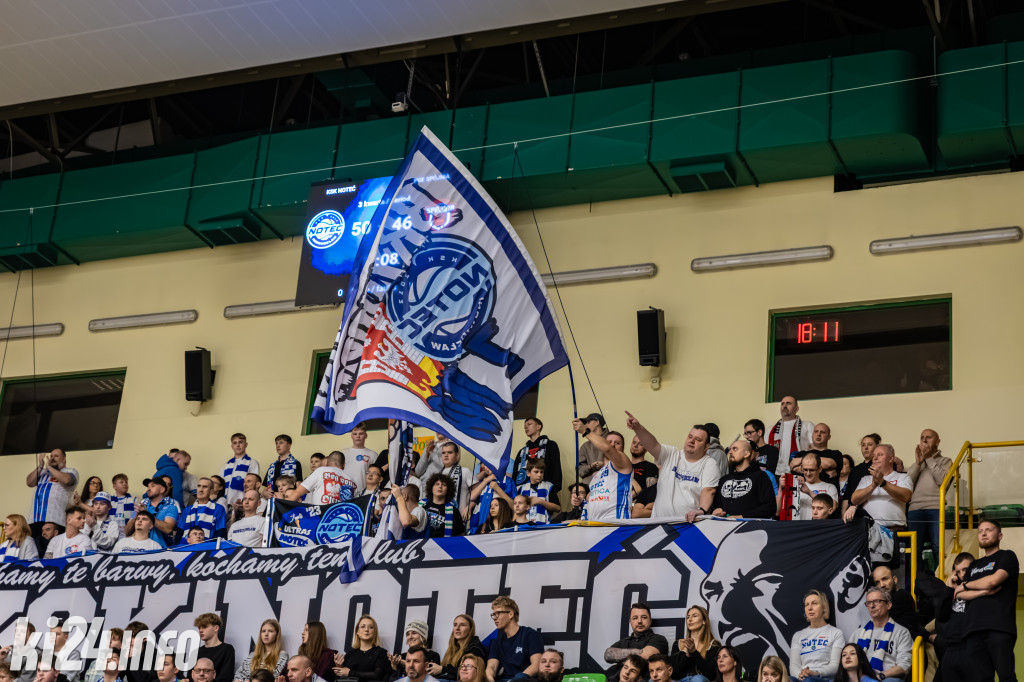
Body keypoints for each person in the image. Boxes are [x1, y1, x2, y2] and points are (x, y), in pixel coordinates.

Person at [624, 413, 720, 522]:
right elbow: (653, 445)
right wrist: (638, 428)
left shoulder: (709, 463)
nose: (692, 441)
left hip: (687, 524)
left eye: (698, 439)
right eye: (690, 437)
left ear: (706, 447)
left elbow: (709, 490)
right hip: (659, 522)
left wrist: (701, 510)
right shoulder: (672, 454)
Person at [956, 518, 1019, 682]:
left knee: (1006, 677)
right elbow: (958, 593)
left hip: (999, 627)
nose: (983, 534)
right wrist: (983, 592)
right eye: (980, 531)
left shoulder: (1007, 556)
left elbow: (993, 581)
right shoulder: (973, 565)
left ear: (1000, 536)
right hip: (972, 629)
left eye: (988, 530)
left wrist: (968, 585)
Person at [571, 422, 635, 521]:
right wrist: (581, 501)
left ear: (622, 448)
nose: (612, 445)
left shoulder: (624, 462)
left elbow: (608, 448)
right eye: (609, 442)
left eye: (617, 443)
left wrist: (585, 431)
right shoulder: (596, 475)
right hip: (595, 524)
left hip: (616, 522)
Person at [849, 587, 912, 681]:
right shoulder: (857, 634)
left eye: (876, 601)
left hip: (887, 678)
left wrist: (880, 676)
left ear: (888, 605)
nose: (872, 606)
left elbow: (904, 666)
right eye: (868, 603)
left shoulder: (902, 632)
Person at [906, 429, 950, 562]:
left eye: (928, 437)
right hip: (915, 509)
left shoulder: (946, 461)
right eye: (922, 438)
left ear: (937, 442)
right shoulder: (916, 464)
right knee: (914, 550)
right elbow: (906, 485)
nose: (924, 440)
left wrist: (929, 458)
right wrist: (918, 463)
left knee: (938, 548)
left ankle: (939, 575)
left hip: (936, 508)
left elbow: (943, 481)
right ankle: (917, 576)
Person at [845, 445, 912, 530]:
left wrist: (883, 482)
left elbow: (906, 496)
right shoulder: (866, 479)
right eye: (874, 455)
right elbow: (854, 500)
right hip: (869, 530)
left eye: (880, 455)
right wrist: (873, 485)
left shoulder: (903, 477)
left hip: (894, 530)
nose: (875, 458)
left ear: (891, 459)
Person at [709, 439, 776, 519]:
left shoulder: (760, 476)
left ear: (746, 454)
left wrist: (742, 517)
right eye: (730, 449)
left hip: (750, 525)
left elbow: (770, 507)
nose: (730, 452)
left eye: (735, 449)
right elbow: (716, 506)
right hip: (725, 525)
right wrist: (716, 511)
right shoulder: (724, 479)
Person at [788, 590, 845, 681]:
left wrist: (816, 673)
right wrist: (801, 675)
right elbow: (794, 665)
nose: (810, 608)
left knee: (809, 680)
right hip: (802, 678)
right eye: (807, 605)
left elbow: (835, 666)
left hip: (823, 679)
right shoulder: (798, 636)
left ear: (824, 608)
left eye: (814, 603)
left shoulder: (836, 633)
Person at [26, 448, 78, 547]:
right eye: (51, 456)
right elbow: (29, 482)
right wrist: (40, 466)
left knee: (52, 551)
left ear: (64, 458)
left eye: (56, 456)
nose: (52, 458)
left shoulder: (70, 471)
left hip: (55, 521)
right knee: (34, 551)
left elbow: (67, 480)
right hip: (35, 520)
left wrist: (49, 467)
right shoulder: (43, 472)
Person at [485, 596, 543, 682]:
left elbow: (536, 666)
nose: (495, 618)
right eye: (493, 614)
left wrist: (515, 680)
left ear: (510, 614)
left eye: (498, 613)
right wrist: (489, 679)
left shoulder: (530, 634)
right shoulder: (497, 641)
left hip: (524, 680)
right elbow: (491, 667)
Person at [937, 552, 974, 681]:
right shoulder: (951, 591)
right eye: (958, 571)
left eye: (965, 569)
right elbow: (941, 617)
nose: (962, 574)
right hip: (951, 649)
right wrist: (948, 590)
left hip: (971, 649)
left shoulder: (978, 589)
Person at [603, 603, 668, 677]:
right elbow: (608, 655)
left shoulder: (659, 639)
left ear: (650, 621)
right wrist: (638, 653)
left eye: (644, 617)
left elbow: (646, 655)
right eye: (635, 618)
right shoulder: (624, 641)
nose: (639, 621)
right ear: (630, 622)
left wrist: (621, 655)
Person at [870, 566, 927, 645]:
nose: (881, 585)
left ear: (895, 579)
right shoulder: (887, 601)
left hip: (907, 648)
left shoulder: (901, 596)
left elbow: (878, 616)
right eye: (877, 582)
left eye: (885, 579)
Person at [511, 418, 562, 495]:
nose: (526, 427)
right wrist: (515, 491)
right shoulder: (522, 452)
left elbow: (556, 466)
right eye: (524, 426)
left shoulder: (550, 445)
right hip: (524, 491)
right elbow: (515, 473)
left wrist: (555, 488)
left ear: (538, 426)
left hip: (545, 489)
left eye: (529, 424)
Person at [669, 605, 720, 682]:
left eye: (694, 616)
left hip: (699, 680)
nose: (690, 619)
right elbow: (673, 674)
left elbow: (711, 675)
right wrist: (686, 653)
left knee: (698, 679)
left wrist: (694, 652)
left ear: (704, 621)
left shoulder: (713, 645)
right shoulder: (678, 644)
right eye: (688, 617)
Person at [782, 453, 838, 521]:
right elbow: (780, 511)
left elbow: (832, 507)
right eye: (805, 470)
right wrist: (780, 488)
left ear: (820, 469)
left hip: (818, 526)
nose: (808, 473)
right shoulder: (794, 486)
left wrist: (809, 492)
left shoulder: (830, 487)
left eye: (812, 470)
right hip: (798, 525)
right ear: (801, 467)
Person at [766, 396, 814, 476]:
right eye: (782, 404)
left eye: (788, 403)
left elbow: (815, 449)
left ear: (797, 408)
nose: (784, 406)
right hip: (775, 472)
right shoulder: (770, 430)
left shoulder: (807, 425)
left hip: (800, 471)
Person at [125, 476, 178, 548]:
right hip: (139, 549)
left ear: (162, 489)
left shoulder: (171, 508)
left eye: (152, 486)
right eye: (148, 486)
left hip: (161, 550)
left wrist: (147, 514)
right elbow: (127, 532)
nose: (148, 489)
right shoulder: (141, 506)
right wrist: (136, 516)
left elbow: (168, 529)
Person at [333, 615, 389, 682]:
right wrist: (339, 667)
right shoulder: (350, 653)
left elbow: (377, 675)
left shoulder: (381, 653)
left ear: (375, 632)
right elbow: (342, 678)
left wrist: (350, 672)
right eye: (363, 627)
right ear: (357, 632)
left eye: (371, 627)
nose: (366, 630)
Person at [290, 453, 356, 505]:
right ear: (344, 465)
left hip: (322, 515)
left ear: (327, 463)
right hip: (342, 516)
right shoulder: (352, 480)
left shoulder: (321, 470)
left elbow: (298, 492)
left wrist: (284, 509)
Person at [435, 615, 486, 680]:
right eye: (455, 625)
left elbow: (468, 673)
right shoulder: (453, 647)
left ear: (470, 629)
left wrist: (443, 669)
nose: (457, 628)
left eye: (462, 625)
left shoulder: (475, 648)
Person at [840, 434, 881, 515]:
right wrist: (843, 515)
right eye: (863, 445)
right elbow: (847, 495)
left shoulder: (881, 466)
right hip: (853, 513)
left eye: (870, 445)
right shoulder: (855, 470)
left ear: (877, 447)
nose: (866, 448)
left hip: (874, 511)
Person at [193, 613, 235, 682]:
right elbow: (191, 676)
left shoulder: (227, 649)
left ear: (216, 628)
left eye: (204, 626)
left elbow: (226, 677)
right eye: (199, 628)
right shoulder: (196, 652)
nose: (200, 630)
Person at [222, 433, 260, 506]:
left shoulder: (252, 463)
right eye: (235, 443)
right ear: (232, 446)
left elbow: (254, 485)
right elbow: (221, 486)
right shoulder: (226, 466)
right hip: (226, 503)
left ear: (246, 444)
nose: (238, 445)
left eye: (240, 442)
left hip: (243, 503)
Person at [440, 443, 473, 520]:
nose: (446, 455)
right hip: (441, 518)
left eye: (450, 452)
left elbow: (477, 493)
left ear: (457, 455)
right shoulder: (438, 474)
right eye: (443, 453)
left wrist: (469, 507)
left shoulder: (465, 471)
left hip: (459, 518)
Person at [576, 413, 609, 485]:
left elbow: (619, 463)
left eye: (588, 422)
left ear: (597, 422)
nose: (586, 425)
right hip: (589, 486)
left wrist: (604, 465)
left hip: (609, 484)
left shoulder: (611, 440)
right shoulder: (585, 446)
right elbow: (579, 471)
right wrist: (590, 466)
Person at [343, 424, 376, 496]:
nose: (358, 436)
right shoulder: (343, 453)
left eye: (361, 434)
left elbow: (375, 476)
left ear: (366, 435)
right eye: (355, 434)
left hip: (363, 494)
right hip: (345, 493)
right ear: (351, 436)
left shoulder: (372, 455)